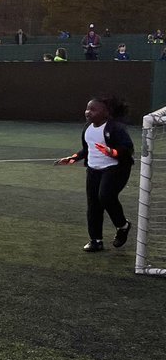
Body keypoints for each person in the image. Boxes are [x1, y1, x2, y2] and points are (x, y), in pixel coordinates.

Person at [55, 96, 134, 252]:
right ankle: (96, 240)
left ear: (106, 113)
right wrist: (73, 158)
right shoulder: (87, 128)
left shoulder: (115, 128)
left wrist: (113, 152)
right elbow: (87, 149)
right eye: (87, 108)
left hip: (115, 169)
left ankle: (123, 226)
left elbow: (127, 149)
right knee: (93, 205)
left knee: (105, 196)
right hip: (93, 170)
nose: (88, 112)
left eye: (93, 109)